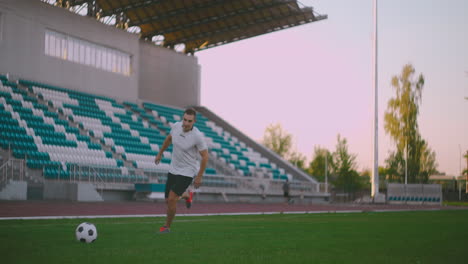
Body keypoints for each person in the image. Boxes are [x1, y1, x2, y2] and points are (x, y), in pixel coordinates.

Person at [154, 108, 208, 234]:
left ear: (194, 122)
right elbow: (168, 139)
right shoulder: (176, 126)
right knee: (168, 200)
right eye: (184, 119)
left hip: (188, 171)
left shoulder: (197, 136)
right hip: (173, 168)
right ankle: (186, 195)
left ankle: (166, 227)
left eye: (189, 121)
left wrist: (199, 176)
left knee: (172, 199)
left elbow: (205, 156)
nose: (186, 123)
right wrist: (160, 153)